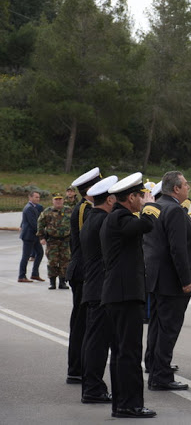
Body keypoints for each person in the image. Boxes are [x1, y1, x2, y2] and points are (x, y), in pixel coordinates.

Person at [100, 172, 158, 418]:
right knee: (129, 352)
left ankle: (123, 404)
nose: (142, 200)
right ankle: (129, 405)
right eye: (140, 196)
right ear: (131, 197)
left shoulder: (117, 218)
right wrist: (151, 206)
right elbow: (146, 225)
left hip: (120, 294)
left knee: (123, 352)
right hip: (124, 296)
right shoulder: (120, 218)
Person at [143, 171, 191, 391]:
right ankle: (162, 376)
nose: (188, 188)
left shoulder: (156, 206)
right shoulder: (174, 210)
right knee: (168, 328)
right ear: (176, 189)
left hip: (156, 278)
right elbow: (178, 249)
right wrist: (186, 280)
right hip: (171, 281)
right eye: (185, 185)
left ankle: (155, 367)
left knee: (157, 325)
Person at [79, 175, 118, 404]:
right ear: (111, 199)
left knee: (94, 340)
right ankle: (93, 389)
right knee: (97, 343)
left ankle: (92, 386)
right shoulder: (103, 221)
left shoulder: (93, 217)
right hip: (100, 289)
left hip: (94, 287)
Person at [66, 167, 102, 385]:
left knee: (83, 322)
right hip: (83, 272)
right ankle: (76, 368)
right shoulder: (85, 210)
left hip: (83, 271)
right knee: (81, 323)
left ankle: (78, 366)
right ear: (90, 190)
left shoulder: (87, 208)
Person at [36, 193, 72, 289]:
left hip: (66, 240)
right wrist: (41, 237)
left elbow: (74, 223)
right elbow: (40, 224)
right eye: (56, 200)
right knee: (52, 261)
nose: (58, 201)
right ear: (53, 201)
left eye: (60, 199)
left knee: (65, 261)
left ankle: (62, 282)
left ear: (63, 200)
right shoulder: (47, 212)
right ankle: (52, 282)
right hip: (52, 241)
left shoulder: (69, 210)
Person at [18, 191, 44, 283]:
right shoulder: (29, 208)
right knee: (26, 256)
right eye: (36, 197)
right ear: (30, 197)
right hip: (29, 236)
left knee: (40, 253)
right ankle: (21, 276)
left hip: (34, 236)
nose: (38, 199)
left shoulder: (34, 207)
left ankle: (35, 274)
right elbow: (33, 223)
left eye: (38, 197)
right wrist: (42, 233)